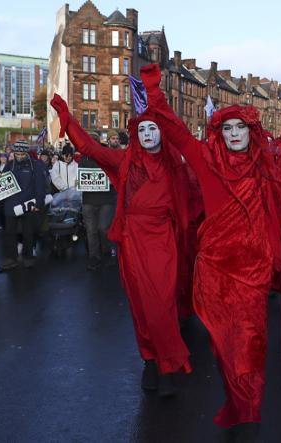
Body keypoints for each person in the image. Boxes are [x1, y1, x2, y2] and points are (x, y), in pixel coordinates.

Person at [141, 63, 281, 437]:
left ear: (251, 131)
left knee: (251, 342)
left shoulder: (265, 166)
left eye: (240, 127)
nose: (234, 133)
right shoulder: (205, 160)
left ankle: (248, 409)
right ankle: (238, 399)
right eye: (227, 128)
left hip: (253, 268)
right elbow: (172, 127)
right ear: (218, 133)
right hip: (217, 269)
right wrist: (154, 90)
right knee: (226, 345)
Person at [51, 92, 193, 398]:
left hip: (162, 240)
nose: (146, 134)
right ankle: (151, 360)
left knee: (161, 304)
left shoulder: (175, 164)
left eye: (152, 128)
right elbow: (89, 147)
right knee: (141, 305)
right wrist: (68, 118)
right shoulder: (125, 160)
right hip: (132, 240)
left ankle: (168, 363)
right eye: (141, 130)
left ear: (161, 132)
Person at [0, 140, 47, 271]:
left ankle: (28, 257)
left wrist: (39, 202)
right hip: (11, 204)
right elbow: (3, 183)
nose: (19, 156)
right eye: (17, 154)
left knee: (28, 233)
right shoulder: (9, 165)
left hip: (28, 204)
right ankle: (11, 258)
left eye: (22, 154)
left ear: (26, 153)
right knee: (9, 233)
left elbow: (40, 186)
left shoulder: (35, 165)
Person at [79, 133, 117, 271]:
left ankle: (107, 252)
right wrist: (79, 182)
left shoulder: (107, 155)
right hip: (88, 200)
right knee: (91, 231)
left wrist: (111, 181)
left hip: (106, 199)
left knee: (103, 228)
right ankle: (94, 258)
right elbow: (81, 176)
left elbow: (116, 174)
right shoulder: (84, 158)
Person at [50, 144, 82, 210]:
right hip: (60, 193)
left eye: (70, 156)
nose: (68, 158)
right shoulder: (57, 164)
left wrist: (73, 190)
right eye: (66, 155)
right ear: (62, 155)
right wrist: (66, 189)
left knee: (72, 213)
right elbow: (55, 178)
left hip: (74, 196)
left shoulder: (76, 165)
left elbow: (78, 179)